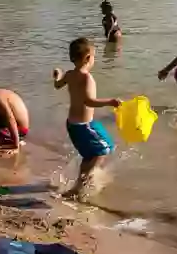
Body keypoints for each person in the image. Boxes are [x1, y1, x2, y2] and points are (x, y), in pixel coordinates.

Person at [52, 37, 123, 200]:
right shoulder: (87, 78)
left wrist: (57, 75)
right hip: (85, 125)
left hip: (73, 124)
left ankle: (78, 186)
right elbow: (89, 101)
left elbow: (57, 85)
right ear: (88, 58)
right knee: (105, 149)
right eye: (94, 57)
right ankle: (87, 180)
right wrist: (111, 102)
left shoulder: (69, 75)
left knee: (89, 155)